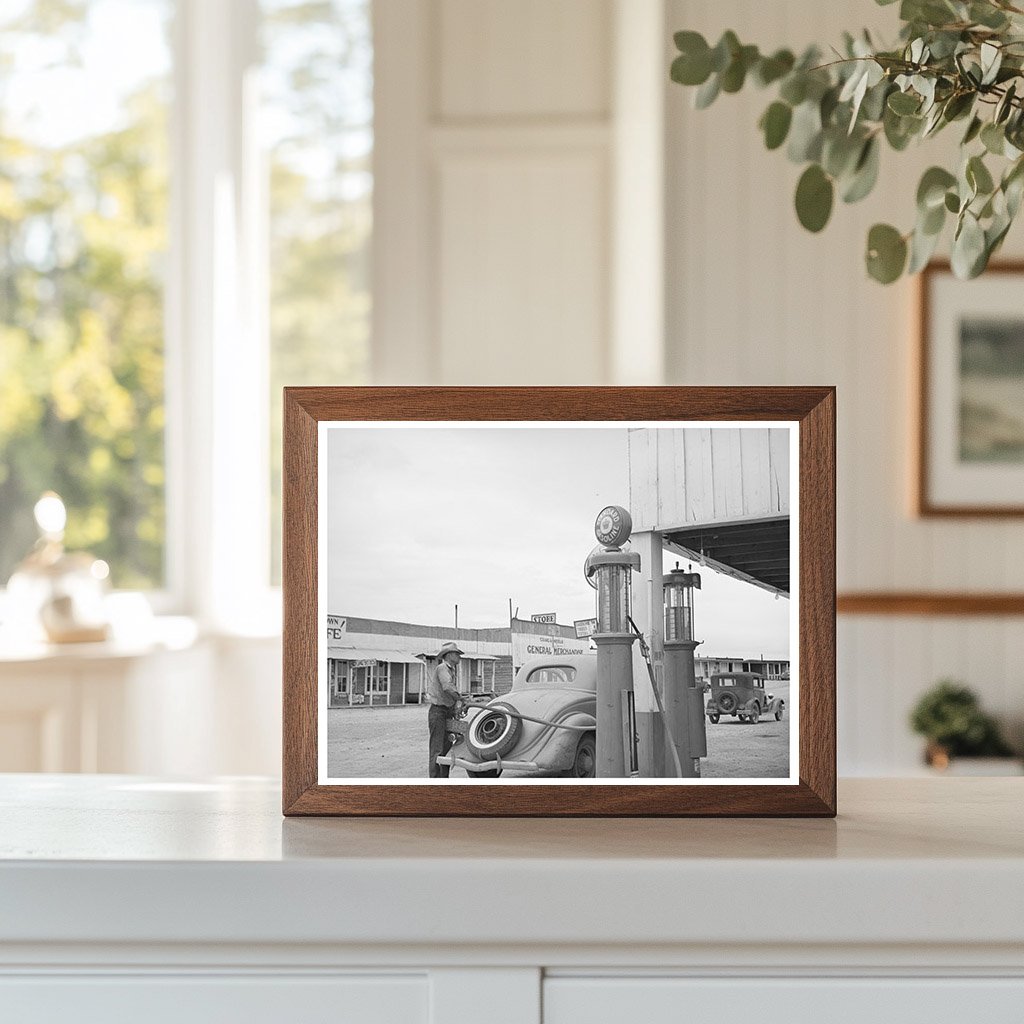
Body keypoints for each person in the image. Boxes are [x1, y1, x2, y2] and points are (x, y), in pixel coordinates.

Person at [425, 642, 463, 778]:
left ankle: (444, 780)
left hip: (447, 712)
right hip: (438, 712)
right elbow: (447, 687)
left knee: (446, 749)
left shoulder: (450, 670)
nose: (459, 657)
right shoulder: (442, 668)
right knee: (437, 749)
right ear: (449, 655)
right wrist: (461, 699)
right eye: (457, 654)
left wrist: (455, 706)